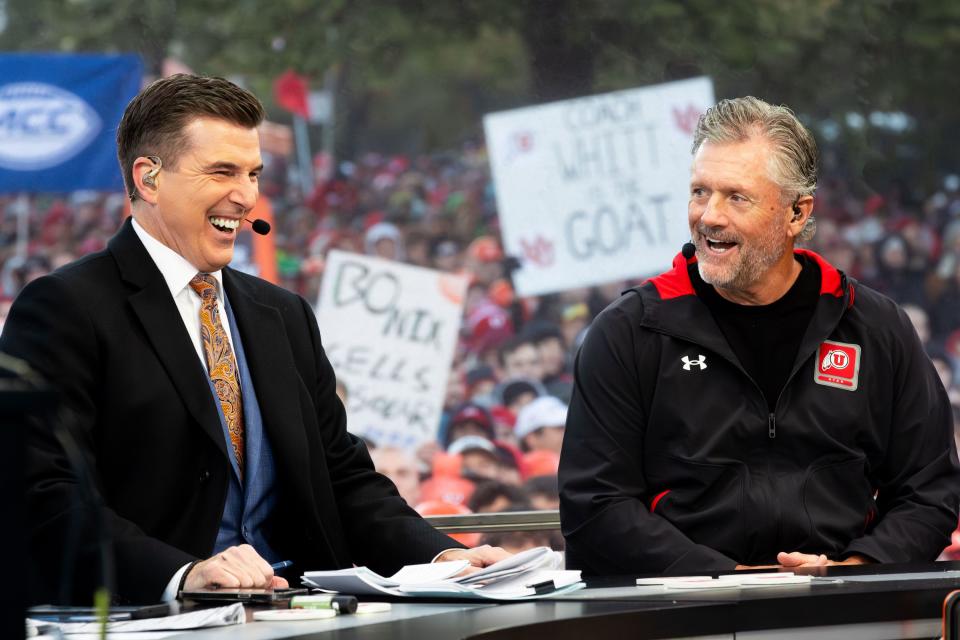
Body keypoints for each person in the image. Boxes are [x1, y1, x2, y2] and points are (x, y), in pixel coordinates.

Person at [1, 74, 506, 605]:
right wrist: (184, 574)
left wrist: (442, 557)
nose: (246, 197)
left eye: (253, 174)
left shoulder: (283, 315)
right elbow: (42, 493)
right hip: (152, 618)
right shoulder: (65, 307)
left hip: (307, 614)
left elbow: (343, 477)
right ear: (148, 179)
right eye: (222, 171)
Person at [559, 96, 960, 576]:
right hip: (679, 613)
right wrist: (724, 580)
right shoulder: (628, 331)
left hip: (845, 610)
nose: (709, 216)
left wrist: (855, 568)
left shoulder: (876, 327)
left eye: (736, 196)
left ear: (796, 214)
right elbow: (594, 503)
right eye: (699, 192)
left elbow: (930, 488)